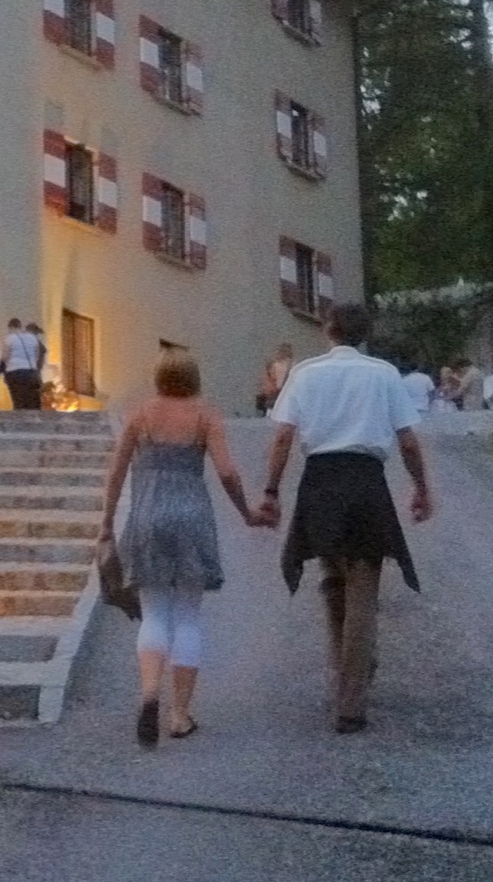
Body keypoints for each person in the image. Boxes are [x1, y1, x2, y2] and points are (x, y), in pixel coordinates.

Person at [260, 302, 436, 734]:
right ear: (365, 334)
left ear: (328, 330)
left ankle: (346, 674)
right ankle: (351, 698)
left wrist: (271, 491)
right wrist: (421, 488)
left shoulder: (306, 373)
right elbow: (407, 441)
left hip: (320, 481)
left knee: (332, 578)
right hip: (365, 480)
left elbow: (283, 437)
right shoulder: (383, 374)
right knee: (363, 587)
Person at [97, 350, 266, 746]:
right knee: (188, 617)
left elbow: (116, 472)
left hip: (147, 518)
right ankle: (178, 714)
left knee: (155, 614)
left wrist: (106, 525)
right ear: (194, 378)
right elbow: (226, 472)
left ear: (158, 377)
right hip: (192, 519)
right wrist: (246, 512)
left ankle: (149, 695)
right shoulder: (206, 415)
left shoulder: (140, 415)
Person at [1, 319, 44, 410]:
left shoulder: (9, 338)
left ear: (10, 327)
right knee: (31, 400)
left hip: (14, 372)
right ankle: (32, 417)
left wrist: (7, 365)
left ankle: (20, 416)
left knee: (18, 400)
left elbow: (5, 357)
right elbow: (36, 355)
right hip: (30, 372)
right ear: (20, 327)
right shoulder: (32, 338)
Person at [256, 341, 295, 414]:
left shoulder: (277, 364)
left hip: (273, 395)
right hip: (283, 396)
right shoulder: (293, 364)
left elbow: (279, 384)